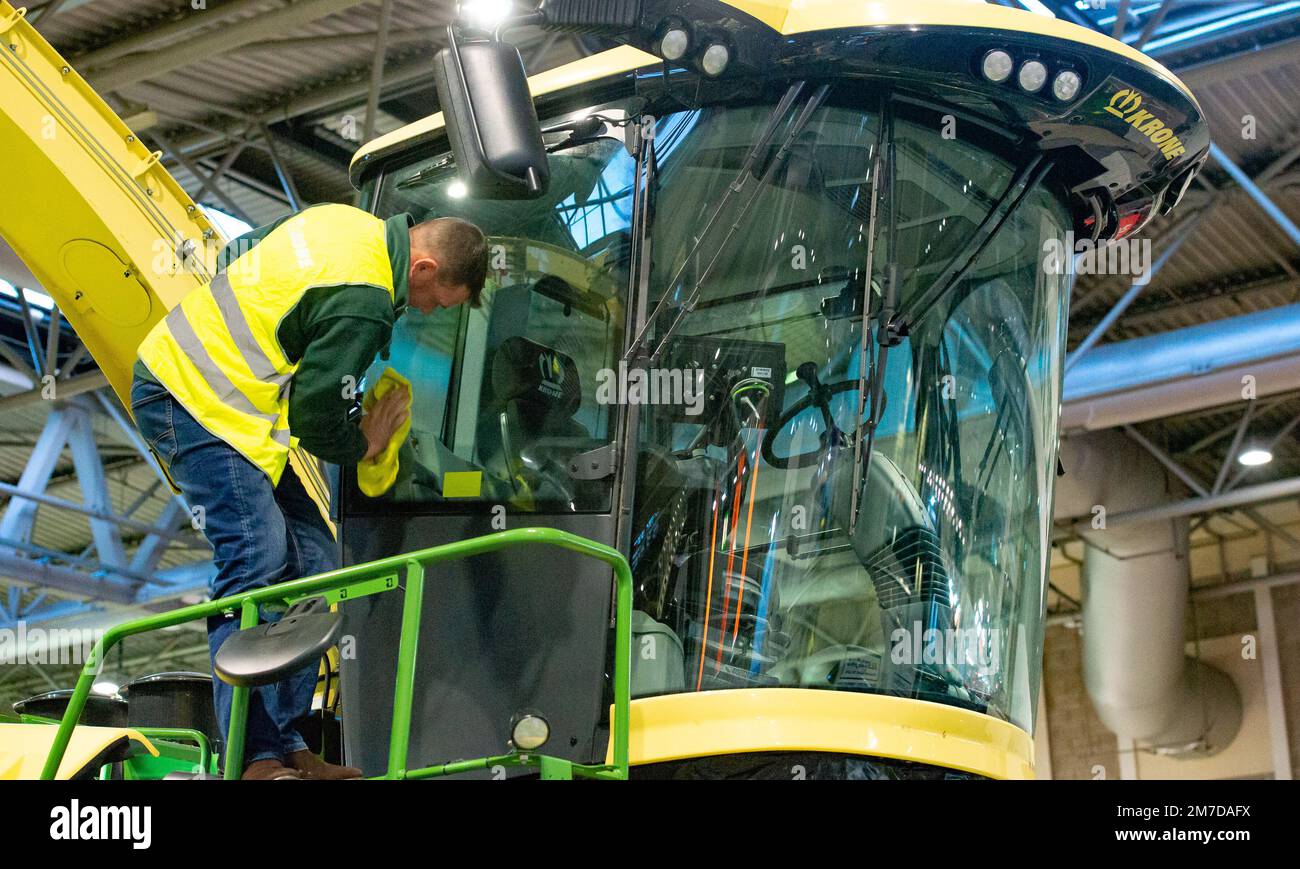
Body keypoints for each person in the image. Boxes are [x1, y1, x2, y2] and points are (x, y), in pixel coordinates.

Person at [129, 203, 487, 779]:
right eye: (434, 301)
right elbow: (318, 414)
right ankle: (249, 757)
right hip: (187, 398)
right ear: (422, 269)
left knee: (318, 562)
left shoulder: (344, 223)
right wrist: (366, 443)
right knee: (256, 557)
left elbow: (240, 250)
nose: (424, 312)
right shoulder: (368, 299)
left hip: (242, 412)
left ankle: (286, 744)